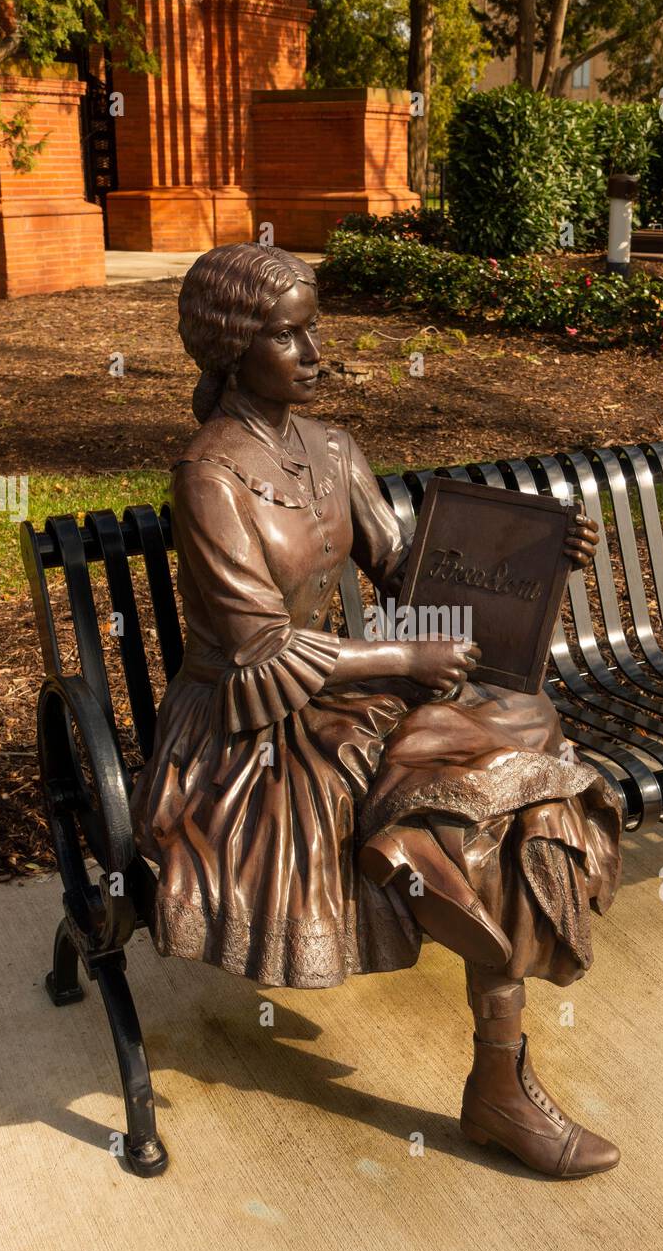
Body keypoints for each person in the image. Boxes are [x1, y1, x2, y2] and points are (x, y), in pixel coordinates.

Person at [130, 242, 624, 1180]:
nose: (318, 350)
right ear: (234, 348)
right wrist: (407, 657)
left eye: (316, 325)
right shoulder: (209, 476)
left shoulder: (334, 449)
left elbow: (407, 572)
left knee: (518, 767)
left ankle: (496, 1072)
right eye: (291, 333)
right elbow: (258, 647)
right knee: (457, 799)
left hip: (351, 688)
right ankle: (489, 1049)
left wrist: (535, 557)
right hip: (253, 728)